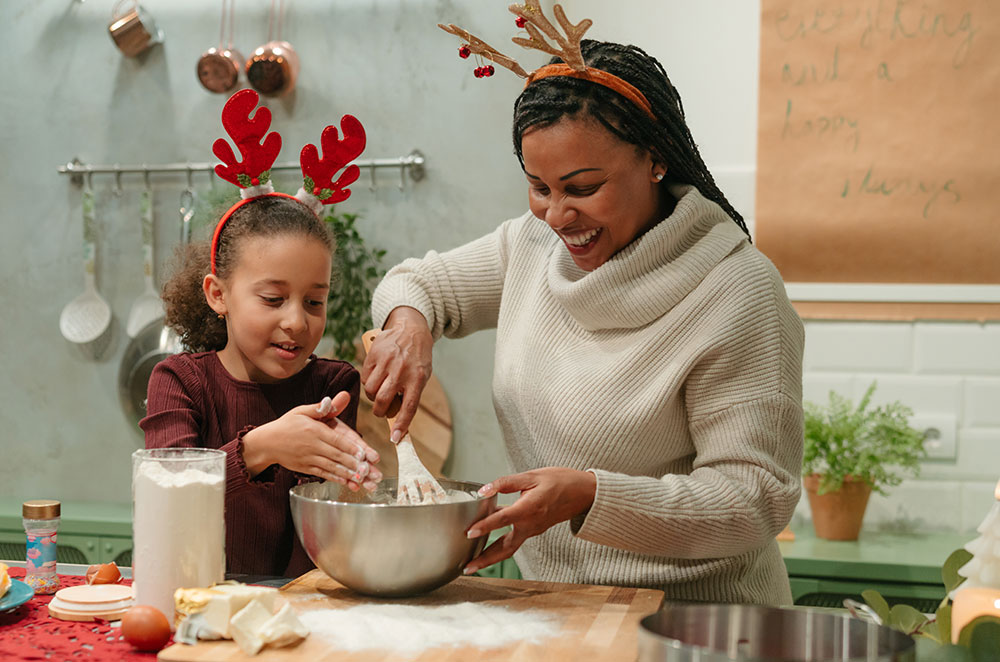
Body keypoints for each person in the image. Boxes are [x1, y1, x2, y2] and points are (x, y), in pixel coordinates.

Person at [362, 33, 805, 604]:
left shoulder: (736, 290)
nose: (557, 215)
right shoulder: (531, 245)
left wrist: (592, 497)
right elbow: (417, 283)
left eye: (584, 188)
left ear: (656, 159)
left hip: (702, 624)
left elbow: (753, 497)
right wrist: (407, 327)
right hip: (562, 608)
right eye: (538, 187)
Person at [142, 90, 381, 578]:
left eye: (315, 301)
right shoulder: (179, 381)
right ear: (218, 294)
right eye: (273, 299)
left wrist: (352, 488)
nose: (297, 321)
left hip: (295, 611)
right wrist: (262, 448)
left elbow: (322, 531)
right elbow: (168, 493)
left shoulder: (332, 387)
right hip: (196, 597)